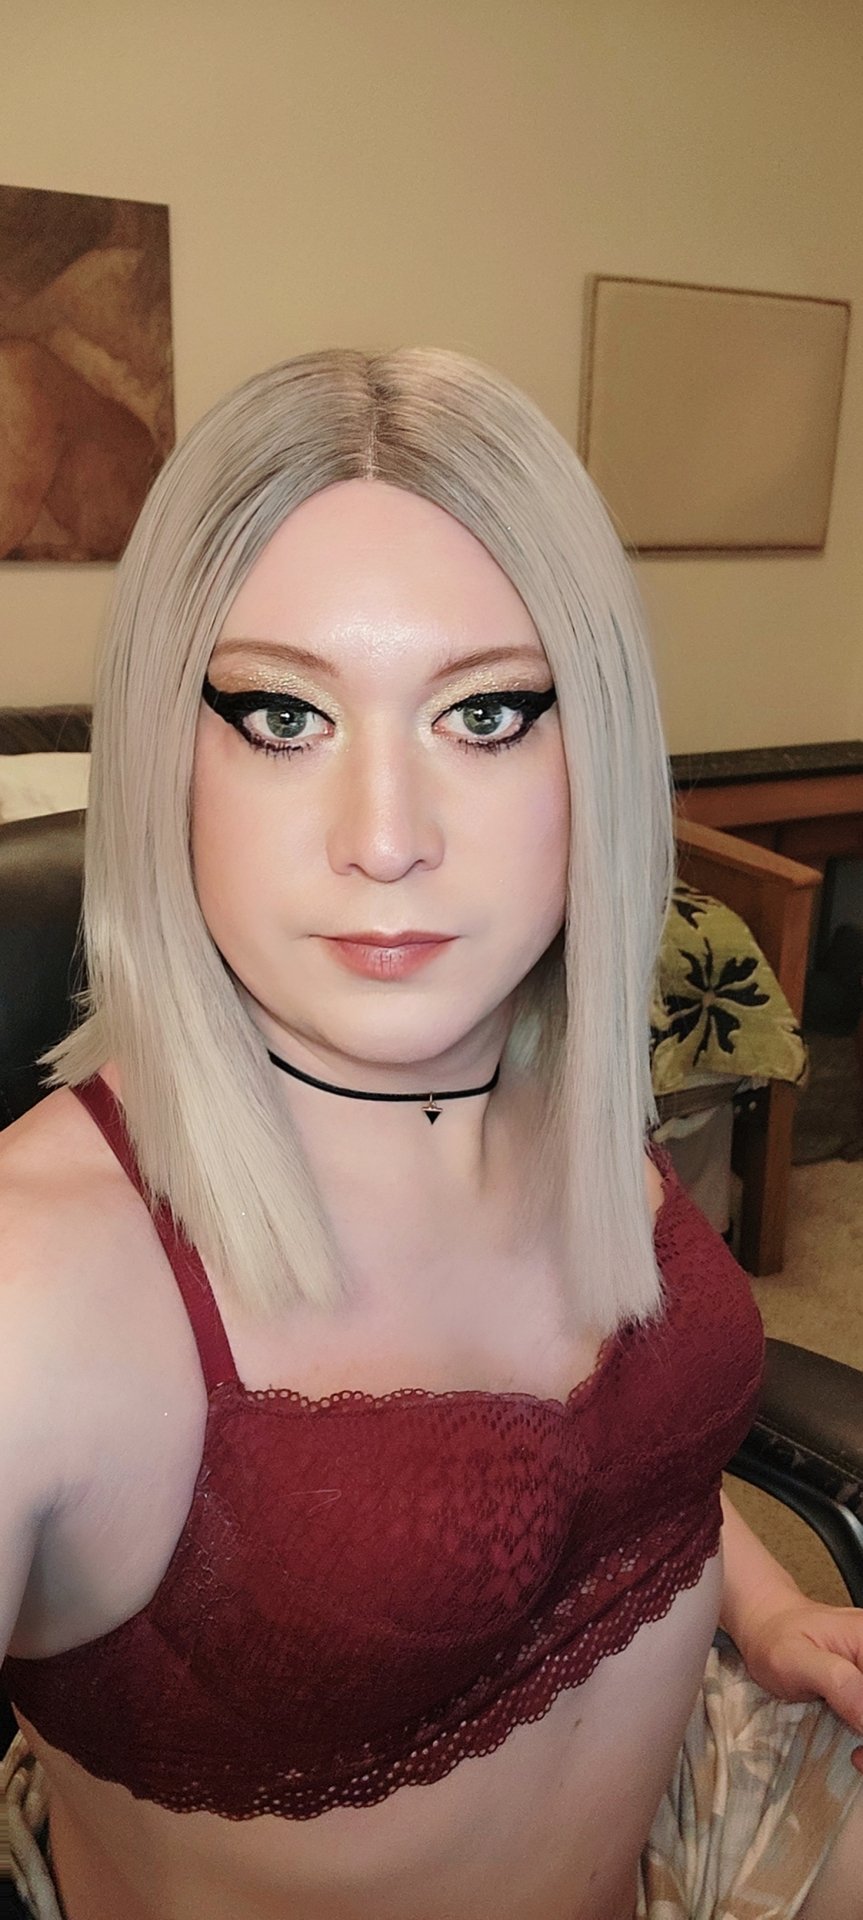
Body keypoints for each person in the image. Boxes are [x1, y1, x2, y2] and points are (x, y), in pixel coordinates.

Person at [1, 346, 862, 1920]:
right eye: (283, 715)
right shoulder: (33, 1286)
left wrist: (764, 1608)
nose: (387, 839)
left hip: (694, 1811)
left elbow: (635, 1468)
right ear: (165, 748)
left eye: (486, 713)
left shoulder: (544, 1063)